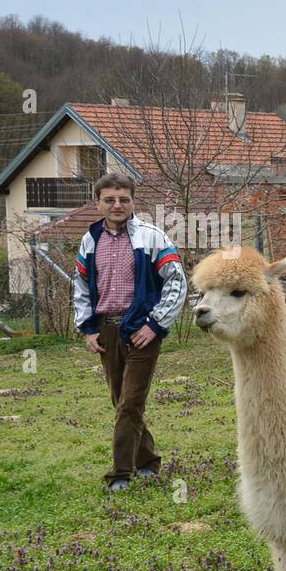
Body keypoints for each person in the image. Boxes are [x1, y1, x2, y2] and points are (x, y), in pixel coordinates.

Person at [72, 173, 188, 491]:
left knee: (130, 403)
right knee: (122, 402)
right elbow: (81, 286)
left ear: (133, 201)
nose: (117, 205)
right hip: (106, 332)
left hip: (141, 330)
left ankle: (120, 475)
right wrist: (87, 329)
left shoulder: (152, 237)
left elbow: (177, 281)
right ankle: (147, 461)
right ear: (98, 203)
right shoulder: (89, 240)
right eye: (109, 199)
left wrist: (155, 324)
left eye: (123, 199)